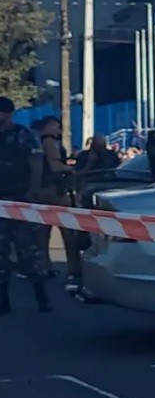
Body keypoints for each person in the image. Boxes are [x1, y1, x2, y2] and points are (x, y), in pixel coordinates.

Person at [0, 97, 50, 313]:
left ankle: (41, 294)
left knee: (28, 252)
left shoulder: (22, 135)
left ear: (9, 114)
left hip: (19, 199)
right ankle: (3, 299)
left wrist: (32, 190)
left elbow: (35, 162)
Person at [35, 117, 80, 289]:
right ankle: (74, 268)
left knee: (43, 232)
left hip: (41, 190)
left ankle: (45, 266)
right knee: (68, 230)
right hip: (55, 191)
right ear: (48, 126)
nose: (59, 131)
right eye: (57, 126)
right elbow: (55, 166)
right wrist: (71, 169)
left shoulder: (37, 142)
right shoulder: (50, 142)